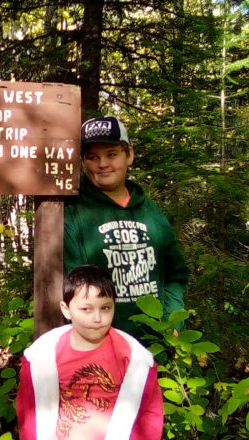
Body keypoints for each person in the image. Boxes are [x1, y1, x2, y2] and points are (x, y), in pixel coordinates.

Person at [64, 116, 189, 337]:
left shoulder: (150, 211)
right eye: (93, 157)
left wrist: (172, 319)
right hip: (100, 345)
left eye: (111, 154)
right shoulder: (73, 213)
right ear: (83, 161)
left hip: (156, 342)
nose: (102, 164)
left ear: (129, 155)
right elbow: (71, 285)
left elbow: (175, 273)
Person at [16, 265, 163, 440]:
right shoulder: (43, 357)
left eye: (105, 308)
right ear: (66, 309)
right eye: (86, 309)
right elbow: (29, 414)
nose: (97, 318)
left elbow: (149, 417)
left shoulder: (135, 359)